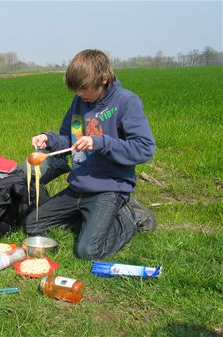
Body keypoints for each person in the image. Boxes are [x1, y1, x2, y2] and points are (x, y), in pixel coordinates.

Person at [23, 49, 157, 260]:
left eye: (83, 88)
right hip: (78, 187)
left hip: (109, 188)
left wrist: (100, 143)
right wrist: (48, 139)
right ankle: (91, 219)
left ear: (103, 79)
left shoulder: (126, 102)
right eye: (76, 89)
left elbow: (144, 148)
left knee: (88, 251)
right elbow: (70, 140)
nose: (79, 94)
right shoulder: (79, 102)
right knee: (32, 225)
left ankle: (131, 217)